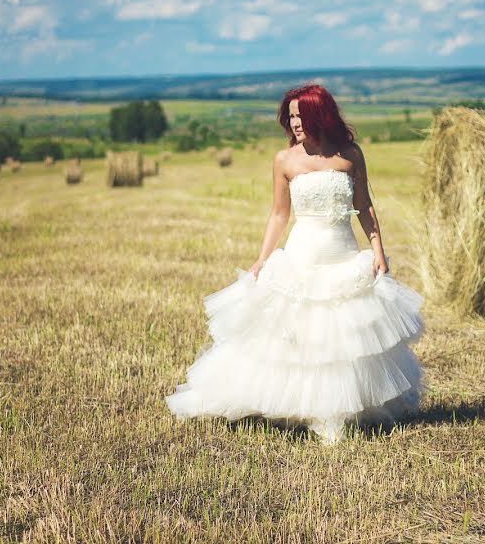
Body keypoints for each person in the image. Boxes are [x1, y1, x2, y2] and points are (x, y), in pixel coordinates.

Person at [165, 84, 427, 444]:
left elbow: (364, 207)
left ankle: (334, 412)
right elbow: (278, 215)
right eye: (290, 117)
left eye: (300, 116)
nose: (294, 123)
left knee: (343, 342)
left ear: (321, 115)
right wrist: (262, 258)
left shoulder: (350, 154)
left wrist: (378, 249)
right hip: (302, 254)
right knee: (296, 339)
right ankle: (293, 406)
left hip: (344, 254)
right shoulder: (284, 160)